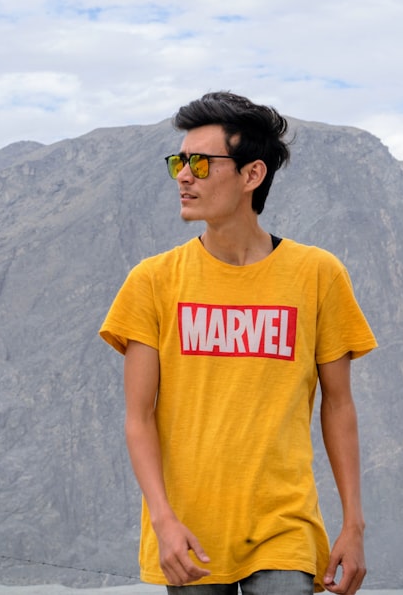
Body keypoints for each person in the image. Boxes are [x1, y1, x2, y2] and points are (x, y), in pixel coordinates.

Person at [99, 91, 377, 595]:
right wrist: (162, 521)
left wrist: (353, 524)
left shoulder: (318, 275)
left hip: (283, 526)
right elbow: (138, 417)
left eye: (201, 164)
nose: (184, 175)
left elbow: (339, 405)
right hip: (189, 535)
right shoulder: (153, 281)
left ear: (252, 175)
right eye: (180, 161)